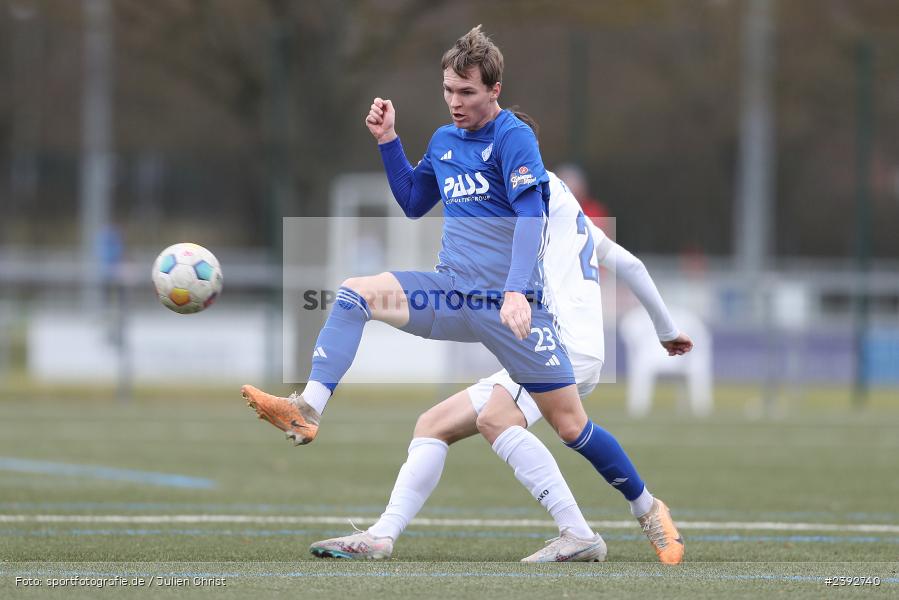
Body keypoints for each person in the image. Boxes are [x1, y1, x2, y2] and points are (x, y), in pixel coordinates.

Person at [242, 27, 688, 563]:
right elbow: (411, 200)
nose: (455, 102)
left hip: (512, 310)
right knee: (355, 295)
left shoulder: (514, 138)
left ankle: (640, 511)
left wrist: (519, 293)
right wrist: (388, 143)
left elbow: (530, 215)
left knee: (570, 426)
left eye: (467, 93)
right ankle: (309, 411)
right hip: (453, 294)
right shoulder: (443, 141)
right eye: (449, 91)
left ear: (494, 90)